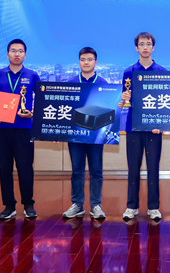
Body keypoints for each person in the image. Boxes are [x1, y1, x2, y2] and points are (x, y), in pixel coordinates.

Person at [118, 32, 166, 221]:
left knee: (153, 167)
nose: (145, 47)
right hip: (134, 127)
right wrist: (123, 99)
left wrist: (162, 124)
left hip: (154, 127)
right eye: (141, 44)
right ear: (136, 48)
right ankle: (132, 206)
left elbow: (166, 101)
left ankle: (153, 207)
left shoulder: (161, 71)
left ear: (153, 47)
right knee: (133, 168)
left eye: (148, 44)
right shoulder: (128, 72)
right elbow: (124, 101)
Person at [0, 39, 41, 220]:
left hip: (24, 127)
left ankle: (28, 204)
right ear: (7, 54)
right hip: (2, 127)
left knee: (25, 167)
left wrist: (32, 113)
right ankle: (9, 205)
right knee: (4, 167)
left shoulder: (32, 75)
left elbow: (40, 100)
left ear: (25, 55)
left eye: (20, 51)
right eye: (13, 50)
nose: (16, 54)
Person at [62, 47, 108, 220]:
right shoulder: (71, 82)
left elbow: (109, 108)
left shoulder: (103, 83)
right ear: (79, 62)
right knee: (77, 171)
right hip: (75, 135)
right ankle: (77, 204)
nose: (86, 62)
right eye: (83, 59)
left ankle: (96, 205)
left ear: (95, 62)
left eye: (89, 59)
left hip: (96, 135)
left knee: (96, 171)